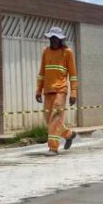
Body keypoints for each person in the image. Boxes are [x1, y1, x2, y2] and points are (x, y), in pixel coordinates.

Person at [35, 27, 78, 155]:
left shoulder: (67, 52)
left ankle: (53, 148)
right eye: (51, 38)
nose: (52, 40)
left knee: (55, 117)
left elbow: (73, 75)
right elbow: (42, 73)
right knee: (49, 119)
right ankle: (68, 134)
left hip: (61, 90)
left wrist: (73, 92)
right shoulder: (45, 52)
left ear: (60, 40)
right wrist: (38, 90)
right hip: (48, 90)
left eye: (55, 38)